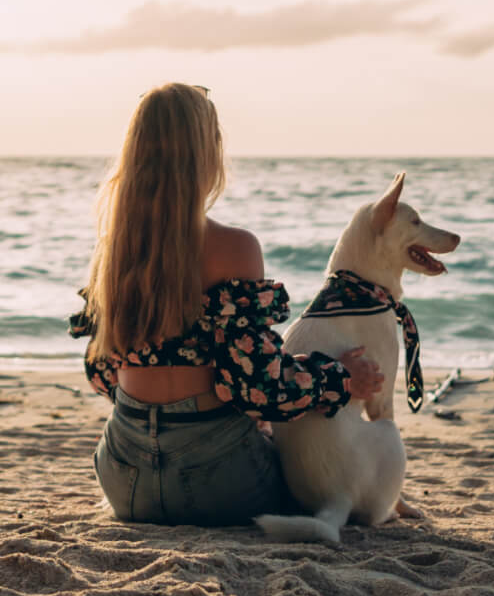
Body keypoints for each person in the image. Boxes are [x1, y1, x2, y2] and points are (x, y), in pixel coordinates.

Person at [70, 83, 383, 526]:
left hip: (124, 480)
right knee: (310, 474)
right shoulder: (233, 247)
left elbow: (103, 375)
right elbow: (257, 390)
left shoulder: (112, 251)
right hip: (217, 481)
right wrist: (341, 380)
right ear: (207, 154)